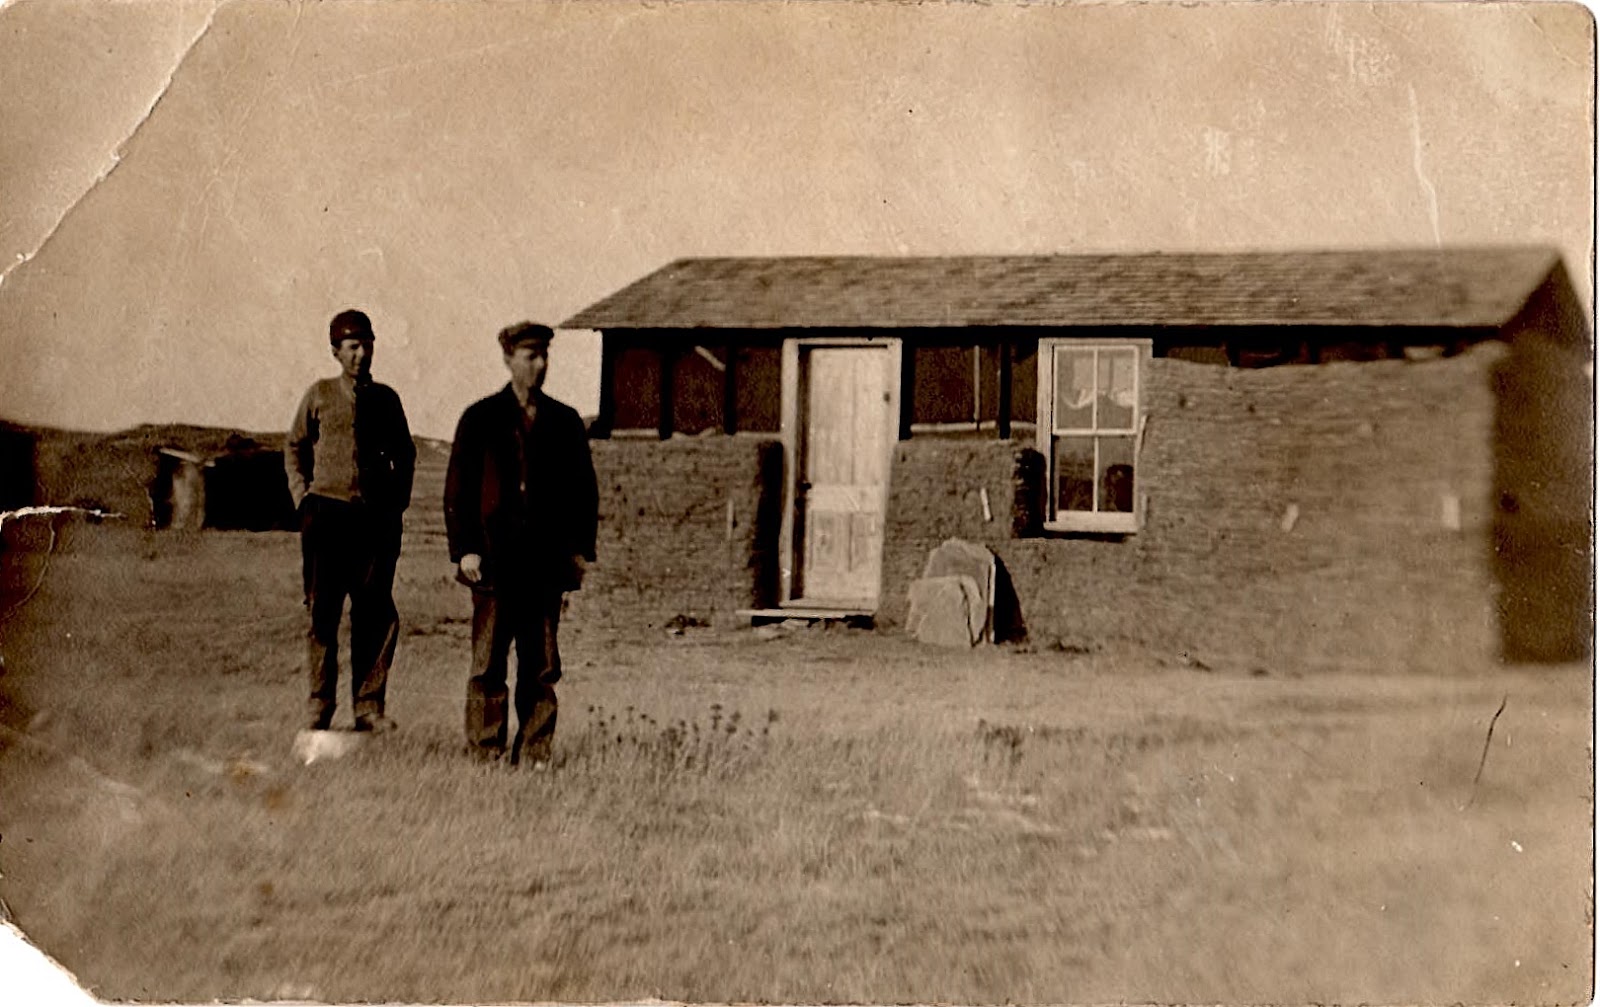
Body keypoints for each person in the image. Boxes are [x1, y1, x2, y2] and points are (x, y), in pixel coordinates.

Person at [443, 321, 598, 766]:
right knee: (488, 664)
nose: (540, 365)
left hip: (545, 565)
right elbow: (459, 489)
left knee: (541, 665)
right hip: (493, 562)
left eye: (544, 356)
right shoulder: (480, 418)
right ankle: (486, 752)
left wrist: (578, 549)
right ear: (508, 358)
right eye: (530, 356)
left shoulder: (565, 422)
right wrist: (466, 548)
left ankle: (535, 752)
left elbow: (583, 491)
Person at [285, 309, 416, 733]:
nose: (361, 354)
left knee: (375, 612)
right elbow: (295, 446)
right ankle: (320, 706)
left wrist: (395, 505)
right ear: (336, 352)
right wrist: (302, 497)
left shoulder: (387, 399)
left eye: (367, 345)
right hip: (326, 516)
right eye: (352, 347)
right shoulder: (319, 394)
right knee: (322, 612)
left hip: (374, 522)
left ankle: (368, 707)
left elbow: (406, 456)